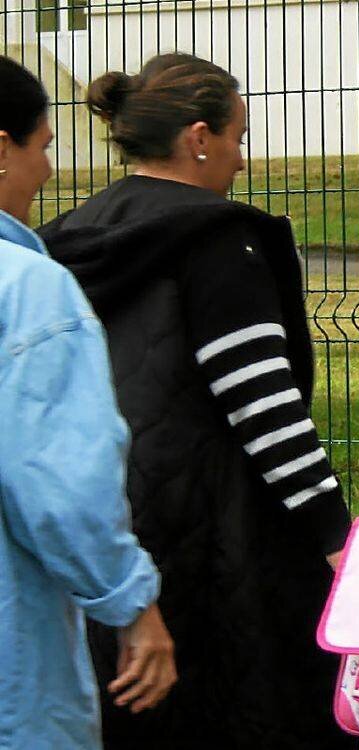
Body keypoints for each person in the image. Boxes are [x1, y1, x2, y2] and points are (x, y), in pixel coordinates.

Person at [38, 53, 354, 749]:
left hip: (103, 540)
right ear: (199, 138)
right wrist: (335, 536)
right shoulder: (218, 242)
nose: (241, 158)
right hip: (216, 541)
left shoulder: (66, 244)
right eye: (238, 137)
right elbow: (263, 404)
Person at [0, 56, 176, 749]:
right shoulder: (28, 291)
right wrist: (130, 603)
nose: (47, 172)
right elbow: (56, 483)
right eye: (42, 147)